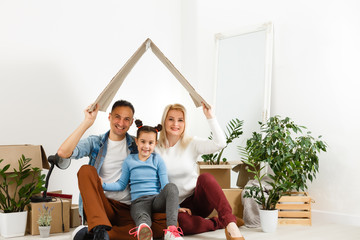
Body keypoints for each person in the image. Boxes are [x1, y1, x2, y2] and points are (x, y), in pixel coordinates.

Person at [57, 100, 167, 240]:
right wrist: (87, 122)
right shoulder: (95, 142)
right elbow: (63, 153)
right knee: (86, 170)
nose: (121, 123)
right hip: (103, 207)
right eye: (117, 117)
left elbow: (156, 170)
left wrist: (172, 203)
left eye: (126, 119)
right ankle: (99, 228)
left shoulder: (138, 144)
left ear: (132, 122)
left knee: (164, 225)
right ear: (109, 117)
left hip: (131, 209)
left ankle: (101, 236)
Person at [155, 102, 245, 240]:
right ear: (164, 121)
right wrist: (174, 207)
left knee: (206, 178)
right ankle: (218, 222)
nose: (175, 124)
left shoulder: (192, 143)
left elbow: (220, 143)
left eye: (180, 120)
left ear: (185, 123)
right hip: (175, 206)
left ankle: (230, 223)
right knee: (182, 225)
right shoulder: (155, 148)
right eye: (171, 119)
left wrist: (210, 116)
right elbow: (153, 182)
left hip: (197, 200)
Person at [101, 119, 184, 240]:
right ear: (137, 142)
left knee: (172, 186)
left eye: (150, 143)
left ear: (155, 144)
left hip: (156, 200)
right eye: (143, 142)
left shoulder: (157, 160)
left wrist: (177, 207)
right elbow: (121, 185)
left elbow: (165, 186)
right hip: (139, 202)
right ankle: (145, 232)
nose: (146, 146)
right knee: (142, 217)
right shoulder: (129, 160)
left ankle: (171, 231)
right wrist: (103, 185)